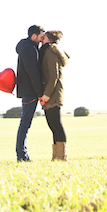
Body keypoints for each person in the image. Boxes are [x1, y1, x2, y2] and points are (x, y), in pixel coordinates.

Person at [15, 24, 45, 161]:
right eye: (40, 37)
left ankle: (22, 155)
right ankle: (22, 155)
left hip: (29, 91)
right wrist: (40, 93)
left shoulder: (27, 47)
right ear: (33, 36)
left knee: (25, 124)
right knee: (25, 124)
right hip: (30, 91)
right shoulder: (29, 49)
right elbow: (33, 73)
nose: (41, 40)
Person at [39, 30, 70, 161]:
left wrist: (46, 95)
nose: (41, 39)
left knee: (56, 124)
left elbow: (53, 76)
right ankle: (56, 156)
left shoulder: (51, 52)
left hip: (53, 93)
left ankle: (61, 156)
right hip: (50, 93)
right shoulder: (47, 51)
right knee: (52, 125)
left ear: (49, 39)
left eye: (44, 37)